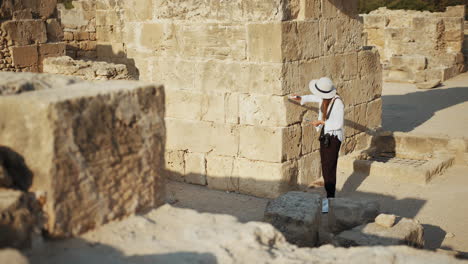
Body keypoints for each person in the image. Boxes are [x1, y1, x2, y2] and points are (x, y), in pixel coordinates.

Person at [290, 77, 344, 213]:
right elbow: (313, 98)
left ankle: (330, 200)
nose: (318, 96)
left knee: (329, 168)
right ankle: (329, 198)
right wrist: (300, 98)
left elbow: (338, 124)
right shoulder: (324, 98)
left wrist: (321, 122)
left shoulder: (337, 103)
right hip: (325, 137)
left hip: (333, 138)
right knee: (326, 167)